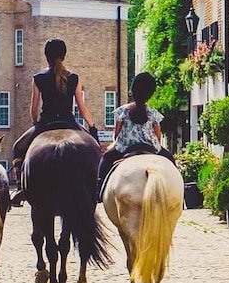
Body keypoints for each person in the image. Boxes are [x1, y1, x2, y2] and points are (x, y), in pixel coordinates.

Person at [10, 38, 97, 205]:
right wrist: (92, 126)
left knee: (18, 147)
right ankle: (96, 183)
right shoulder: (74, 77)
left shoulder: (38, 78)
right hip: (70, 123)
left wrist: (36, 124)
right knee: (93, 147)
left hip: (46, 124)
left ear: (46, 56)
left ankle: (21, 187)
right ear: (64, 55)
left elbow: (33, 109)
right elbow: (81, 107)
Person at [97, 72, 175, 201]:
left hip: (125, 148)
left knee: (105, 159)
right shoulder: (153, 113)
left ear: (132, 91)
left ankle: (99, 189)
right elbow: (158, 136)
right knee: (170, 160)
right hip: (151, 148)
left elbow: (116, 134)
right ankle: (178, 192)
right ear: (150, 94)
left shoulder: (123, 111)